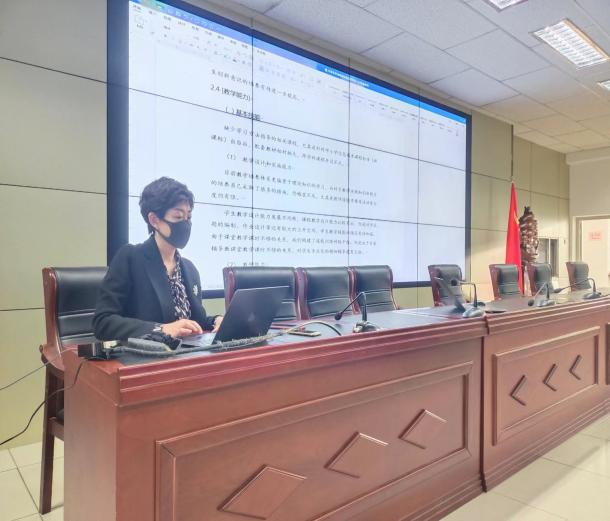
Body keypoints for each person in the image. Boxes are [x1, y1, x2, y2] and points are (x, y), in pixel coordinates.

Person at [94, 177, 223, 340]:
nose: (185, 224)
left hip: (187, 352)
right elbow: (103, 322)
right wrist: (160, 329)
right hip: (148, 353)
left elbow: (195, 322)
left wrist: (216, 321)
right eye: (178, 217)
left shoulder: (189, 269)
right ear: (154, 220)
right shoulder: (130, 258)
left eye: (188, 217)